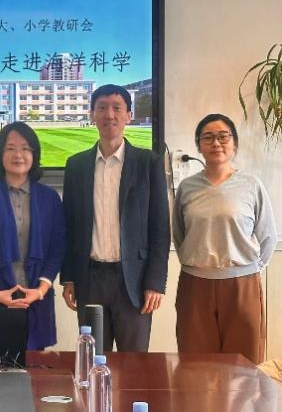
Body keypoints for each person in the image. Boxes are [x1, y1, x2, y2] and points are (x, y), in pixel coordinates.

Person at [61, 84, 170, 352]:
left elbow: (160, 228)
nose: (109, 114)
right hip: (90, 279)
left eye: (117, 108)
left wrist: (155, 283)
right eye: (102, 108)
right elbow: (70, 226)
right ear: (92, 115)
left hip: (134, 281)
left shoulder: (149, 163)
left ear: (128, 116)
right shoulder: (76, 165)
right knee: (93, 359)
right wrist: (69, 277)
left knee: (134, 363)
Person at [173, 113, 276, 364]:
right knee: (196, 364)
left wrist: (250, 268)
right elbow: (179, 234)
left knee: (244, 365)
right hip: (195, 285)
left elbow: (268, 236)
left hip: (242, 285)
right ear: (198, 145)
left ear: (234, 143)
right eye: (208, 137)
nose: (216, 143)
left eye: (223, 136)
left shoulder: (251, 185)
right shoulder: (187, 188)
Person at [0, 121, 65, 350]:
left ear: (34, 154)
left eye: (25, 148)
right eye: (10, 148)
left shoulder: (50, 198)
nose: (18, 155)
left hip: (36, 298)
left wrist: (40, 290)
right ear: (0, 154)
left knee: (33, 367)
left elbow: (58, 247)